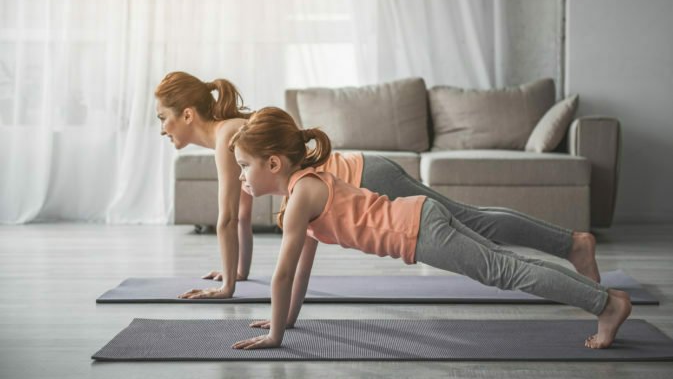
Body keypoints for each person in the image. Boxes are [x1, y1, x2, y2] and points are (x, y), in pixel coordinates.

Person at [155, 71, 600, 300]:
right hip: (364, 170)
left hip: (365, 178)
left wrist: (229, 288)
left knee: (473, 222)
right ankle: (570, 245)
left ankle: (572, 244)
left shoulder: (225, 138)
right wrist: (237, 275)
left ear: (188, 114)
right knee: (473, 220)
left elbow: (228, 219)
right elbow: (244, 220)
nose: (162, 129)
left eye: (163, 118)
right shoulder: (232, 134)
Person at [228, 107, 631, 350]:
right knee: (505, 262)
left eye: (245, 166)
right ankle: (602, 297)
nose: (241, 176)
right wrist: (287, 320)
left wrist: (276, 337)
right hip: (421, 217)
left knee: (504, 271)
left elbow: (281, 274)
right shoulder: (304, 187)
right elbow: (299, 271)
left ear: (275, 163)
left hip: (419, 232)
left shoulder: (300, 197)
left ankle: (606, 304)